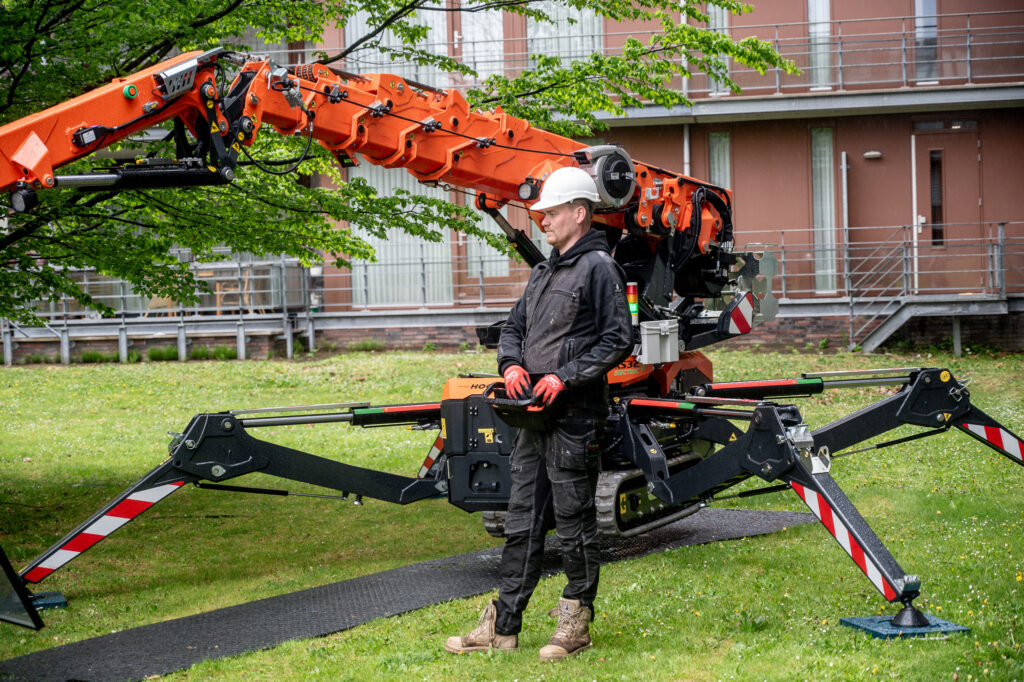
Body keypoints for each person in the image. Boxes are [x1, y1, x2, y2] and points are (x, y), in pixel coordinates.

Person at [444, 166, 633, 661]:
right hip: (532, 417)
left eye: (550, 213)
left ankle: (575, 623)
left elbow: (618, 339)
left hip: (574, 418)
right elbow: (513, 328)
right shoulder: (544, 271)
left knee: (573, 522)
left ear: (579, 212)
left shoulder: (600, 268)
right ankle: (502, 627)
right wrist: (510, 366)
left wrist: (562, 377)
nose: (542, 221)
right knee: (522, 520)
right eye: (542, 213)